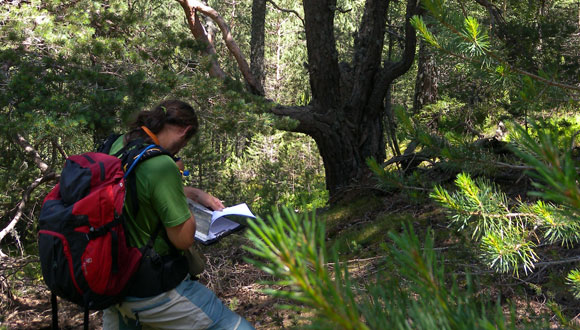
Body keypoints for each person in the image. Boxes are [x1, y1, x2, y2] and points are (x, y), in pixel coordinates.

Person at [102, 99, 255, 330]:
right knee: (232, 326)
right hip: (152, 288)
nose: (179, 151)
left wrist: (192, 193)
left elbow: (133, 189)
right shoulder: (161, 164)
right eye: (185, 143)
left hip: (112, 282)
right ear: (185, 131)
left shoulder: (119, 144)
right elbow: (183, 239)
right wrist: (189, 209)